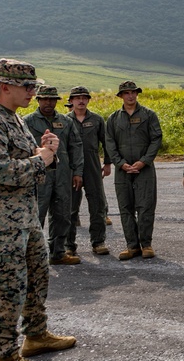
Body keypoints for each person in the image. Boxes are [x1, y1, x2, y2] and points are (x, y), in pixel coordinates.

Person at [0, 58, 76, 361]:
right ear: (5, 86)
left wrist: (45, 151)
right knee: (6, 287)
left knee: (37, 274)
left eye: (34, 86)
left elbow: (25, 161)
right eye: (27, 87)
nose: (33, 92)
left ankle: (36, 335)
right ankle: (5, 360)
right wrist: (41, 160)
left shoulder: (12, 119)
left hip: (23, 216)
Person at [24, 86, 84, 266]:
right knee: (37, 215)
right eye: (44, 99)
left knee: (62, 214)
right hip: (39, 176)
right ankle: (31, 256)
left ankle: (58, 252)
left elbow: (76, 146)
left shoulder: (66, 122)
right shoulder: (27, 121)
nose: (48, 103)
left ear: (57, 101)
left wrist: (78, 172)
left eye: (52, 99)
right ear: (38, 100)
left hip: (63, 175)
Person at [105, 81, 162, 260]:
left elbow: (156, 139)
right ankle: (132, 246)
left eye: (133, 92)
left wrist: (144, 161)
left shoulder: (148, 115)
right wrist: (120, 163)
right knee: (125, 208)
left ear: (137, 94)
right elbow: (109, 143)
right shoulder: (113, 119)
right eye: (126, 93)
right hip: (123, 170)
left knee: (145, 207)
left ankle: (146, 244)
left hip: (144, 169)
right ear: (121, 96)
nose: (130, 96)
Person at [65, 86, 111, 256]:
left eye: (84, 97)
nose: (81, 101)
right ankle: (69, 245)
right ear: (71, 101)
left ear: (89, 100)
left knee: (97, 205)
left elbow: (106, 142)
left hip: (92, 165)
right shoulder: (65, 120)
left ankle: (98, 242)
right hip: (72, 168)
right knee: (70, 207)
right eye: (77, 98)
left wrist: (107, 163)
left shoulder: (97, 120)